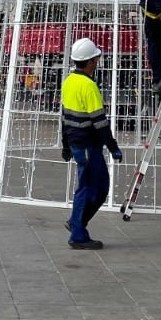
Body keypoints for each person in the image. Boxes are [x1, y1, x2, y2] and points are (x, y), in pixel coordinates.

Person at [60, 38, 123, 250]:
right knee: (91, 188)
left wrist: (65, 145)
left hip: (78, 144)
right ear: (89, 62)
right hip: (88, 146)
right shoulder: (89, 86)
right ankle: (77, 232)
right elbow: (100, 123)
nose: (97, 61)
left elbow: (64, 117)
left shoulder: (68, 82)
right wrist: (113, 147)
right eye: (96, 58)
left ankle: (77, 223)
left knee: (91, 187)